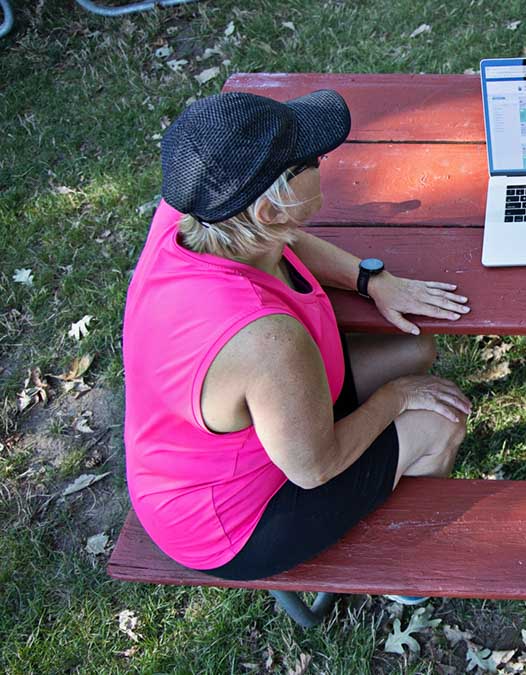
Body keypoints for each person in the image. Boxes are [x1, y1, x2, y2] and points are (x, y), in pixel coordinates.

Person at [123, 90, 473, 581]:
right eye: (309, 159)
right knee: (440, 421)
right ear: (269, 208)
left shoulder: (197, 212)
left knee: (414, 347)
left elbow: (279, 236)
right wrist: (395, 399)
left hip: (243, 437)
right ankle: (404, 571)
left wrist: (370, 280)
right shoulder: (266, 340)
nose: (323, 160)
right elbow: (314, 467)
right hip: (235, 521)